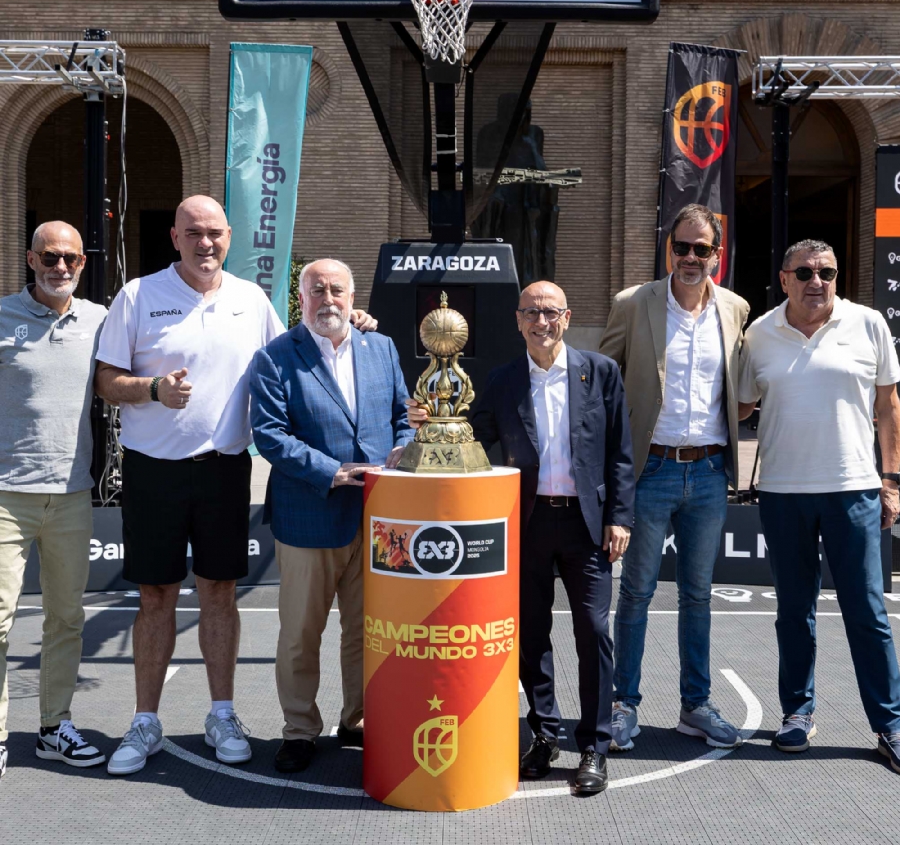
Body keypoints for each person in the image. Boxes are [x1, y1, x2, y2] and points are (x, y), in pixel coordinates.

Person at [94, 197, 376, 776]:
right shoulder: (137, 296)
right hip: (154, 467)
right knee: (155, 597)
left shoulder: (250, 300)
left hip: (225, 467)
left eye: (215, 234)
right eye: (193, 233)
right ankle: (145, 719)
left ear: (229, 238)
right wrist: (151, 391)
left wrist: (356, 320)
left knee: (220, 591)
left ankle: (222, 714)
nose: (205, 244)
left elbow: (303, 346)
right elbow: (105, 381)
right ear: (174, 236)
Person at [410, 280, 634, 794]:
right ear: (517, 320)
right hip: (526, 523)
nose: (541, 321)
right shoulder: (503, 379)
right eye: (531, 312)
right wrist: (427, 427)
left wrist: (619, 516)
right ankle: (545, 734)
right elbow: (473, 436)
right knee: (531, 635)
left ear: (567, 317)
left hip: (587, 524)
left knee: (593, 632)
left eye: (551, 312)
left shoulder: (601, 373)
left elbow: (621, 449)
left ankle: (594, 747)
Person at [737, 239, 900, 771]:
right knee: (794, 613)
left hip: (852, 487)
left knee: (868, 612)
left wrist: (892, 480)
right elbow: (736, 406)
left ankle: (890, 723)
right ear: (783, 278)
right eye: (804, 272)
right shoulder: (759, 333)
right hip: (783, 491)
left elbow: (888, 405)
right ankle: (797, 714)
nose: (817, 281)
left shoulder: (869, 323)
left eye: (827, 272)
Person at [249, 259, 414, 774]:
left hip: (378, 518)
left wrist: (402, 451)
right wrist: (334, 472)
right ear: (301, 299)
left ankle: (358, 720)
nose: (327, 299)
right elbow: (270, 434)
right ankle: (299, 730)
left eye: (336, 289)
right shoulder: (276, 358)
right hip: (310, 515)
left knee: (369, 630)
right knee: (301, 632)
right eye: (316, 290)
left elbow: (403, 417)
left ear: (351, 294)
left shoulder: (380, 347)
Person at [598, 203, 748, 752]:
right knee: (635, 592)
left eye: (700, 249)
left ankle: (695, 706)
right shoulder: (634, 303)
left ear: (716, 255)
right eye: (680, 247)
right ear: (669, 249)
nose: (689, 257)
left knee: (698, 595)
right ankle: (623, 705)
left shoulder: (735, 309)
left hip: (709, 471)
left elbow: (743, 387)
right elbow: (604, 383)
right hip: (651, 468)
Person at [0, 222, 108, 779]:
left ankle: (53, 727)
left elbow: (162, 347)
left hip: (70, 496)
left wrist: (354, 321)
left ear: (83, 263)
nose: (59, 266)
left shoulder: (99, 321)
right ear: (30, 259)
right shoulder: (1, 316)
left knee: (66, 618)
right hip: (5, 495)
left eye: (70, 257)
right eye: (49, 256)